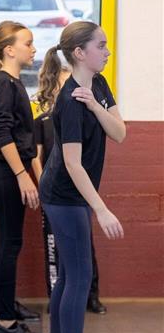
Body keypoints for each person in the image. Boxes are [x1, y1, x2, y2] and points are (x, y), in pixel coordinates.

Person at [39, 21, 124, 333]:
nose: (107, 51)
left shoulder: (98, 85)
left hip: (73, 194)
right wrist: (101, 209)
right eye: (100, 46)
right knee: (79, 277)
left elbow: (119, 132)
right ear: (79, 53)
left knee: (70, 276)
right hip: (63, 194)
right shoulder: (69, 101)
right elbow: (73, 165)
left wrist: (96, 106)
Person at [0, 22, 43, 333]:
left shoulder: (9, 82)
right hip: (4, 170)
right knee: (9, 244)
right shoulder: (5, 83)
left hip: (3, 169)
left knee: (0, 241)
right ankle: (6, 321)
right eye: (28, 43)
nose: (34, 49)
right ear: (9, 50)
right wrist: (21, 175)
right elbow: (2, 133)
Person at [32, 61, 106, 314]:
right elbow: (37, 157)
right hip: (57, 195)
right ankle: (56, 295)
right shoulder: (43, 121)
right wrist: (43, 188)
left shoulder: (83, 114)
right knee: (55, 246)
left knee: (84, 245)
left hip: (79, 192)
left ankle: (91, 296)